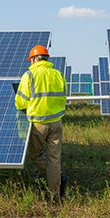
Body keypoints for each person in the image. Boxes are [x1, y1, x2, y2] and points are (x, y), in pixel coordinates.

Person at [15, 45, 68, 202]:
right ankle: (55, 194)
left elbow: (21, 102)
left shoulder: (30, 75)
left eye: (30, 60)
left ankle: (57, 177)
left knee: (35, 155)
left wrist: (23, 106)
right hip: (57, 123)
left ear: (34, 59)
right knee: (54, 159)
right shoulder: (58, 74)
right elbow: (64, 96)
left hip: (39, 124)